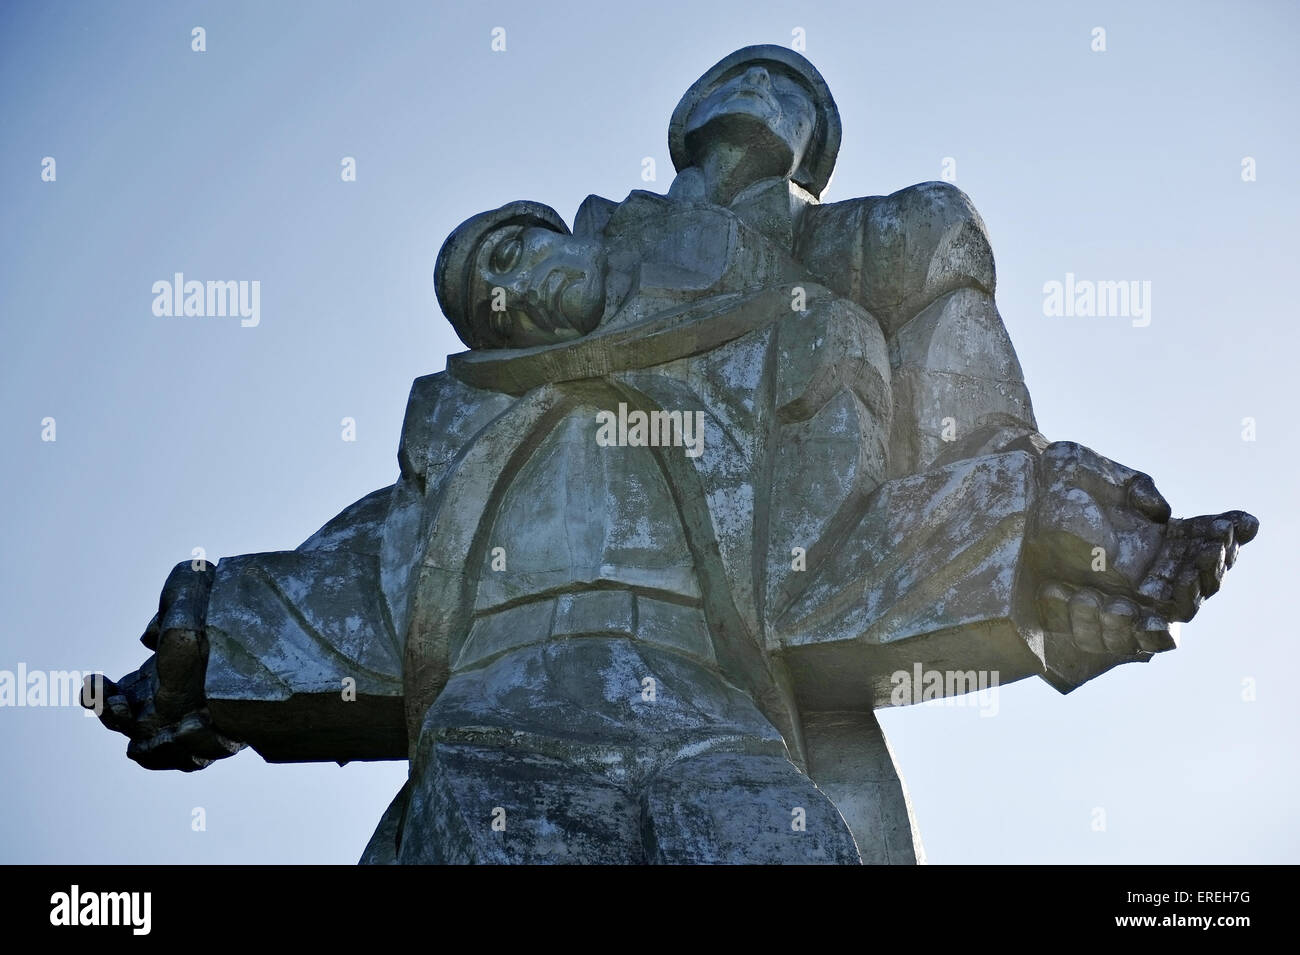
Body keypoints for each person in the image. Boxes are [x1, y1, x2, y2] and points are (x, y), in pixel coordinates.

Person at [89, 46, 1256, 865]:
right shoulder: (484, 420)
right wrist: (207, 639)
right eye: (497, 279)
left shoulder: (832, 301)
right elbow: (377, 569)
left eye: (520, 259)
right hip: (497, 728)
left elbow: (862, 540)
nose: (526, 289)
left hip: (723, 720)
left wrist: (1054, 527)